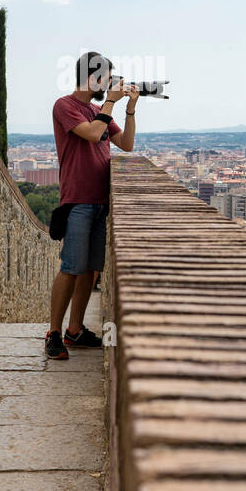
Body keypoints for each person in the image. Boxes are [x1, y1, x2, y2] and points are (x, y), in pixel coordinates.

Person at [45, 52, 137, 360]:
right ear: (92, 77)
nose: (109, 83)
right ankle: (54, 333)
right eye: (106, 78)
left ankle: (75, 330)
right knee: (71, 268)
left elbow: (125, 144)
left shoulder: (99, 109)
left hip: (100, 201)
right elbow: (94, 133)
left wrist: (131, 110)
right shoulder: (65, 106)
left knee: (90, 272)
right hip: (78, 199)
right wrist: (111, 102)